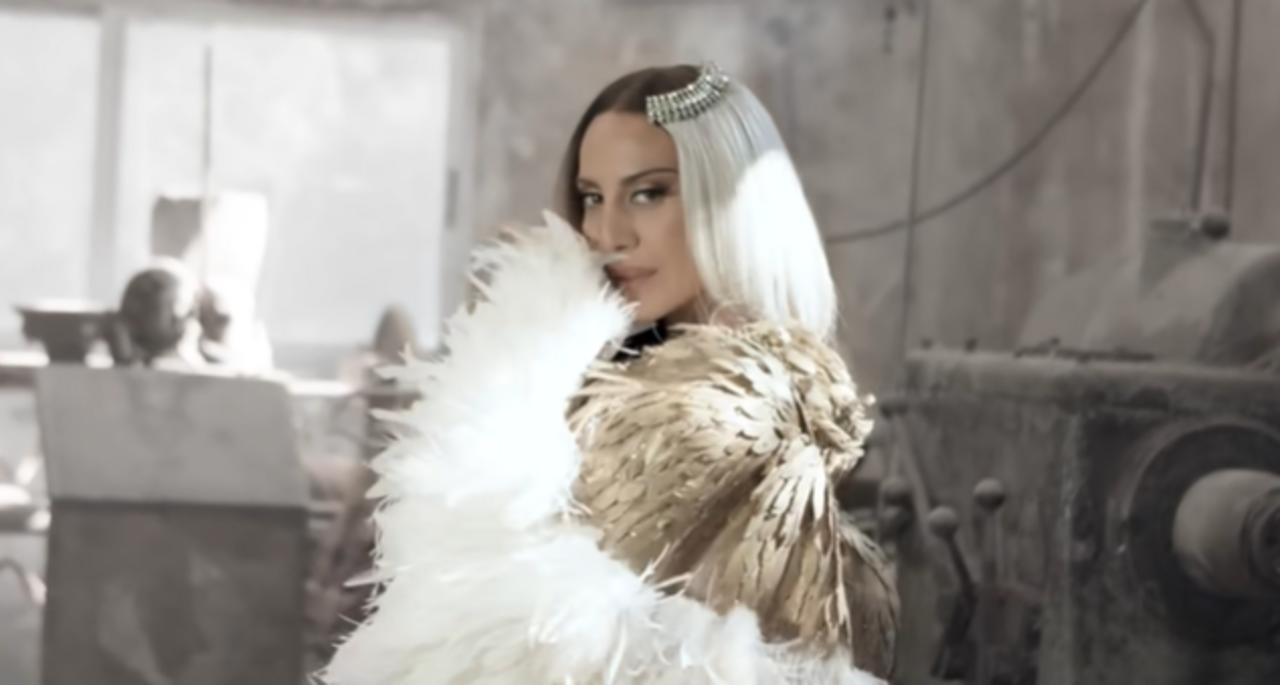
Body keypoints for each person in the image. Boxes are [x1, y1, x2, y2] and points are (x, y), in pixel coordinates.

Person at [323, 63, 897, 684]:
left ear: (729, 200)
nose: (606, 232)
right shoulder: (597, 358)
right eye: (593, 197)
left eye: (648, 193)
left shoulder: (732, 399)